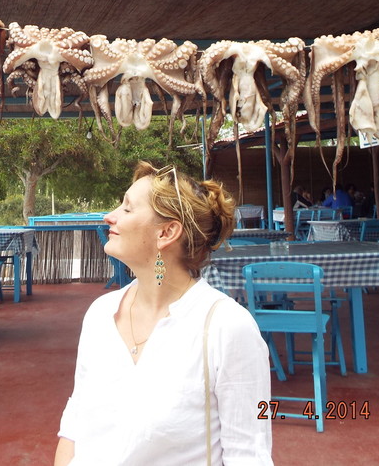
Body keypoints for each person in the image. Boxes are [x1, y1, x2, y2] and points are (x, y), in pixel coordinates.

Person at [55, 162, 273, 465]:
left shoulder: (227, 328)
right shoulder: (100, 314)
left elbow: (248, 456)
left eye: (128, 209)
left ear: (167, 232)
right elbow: (75, 423)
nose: (110, 216)